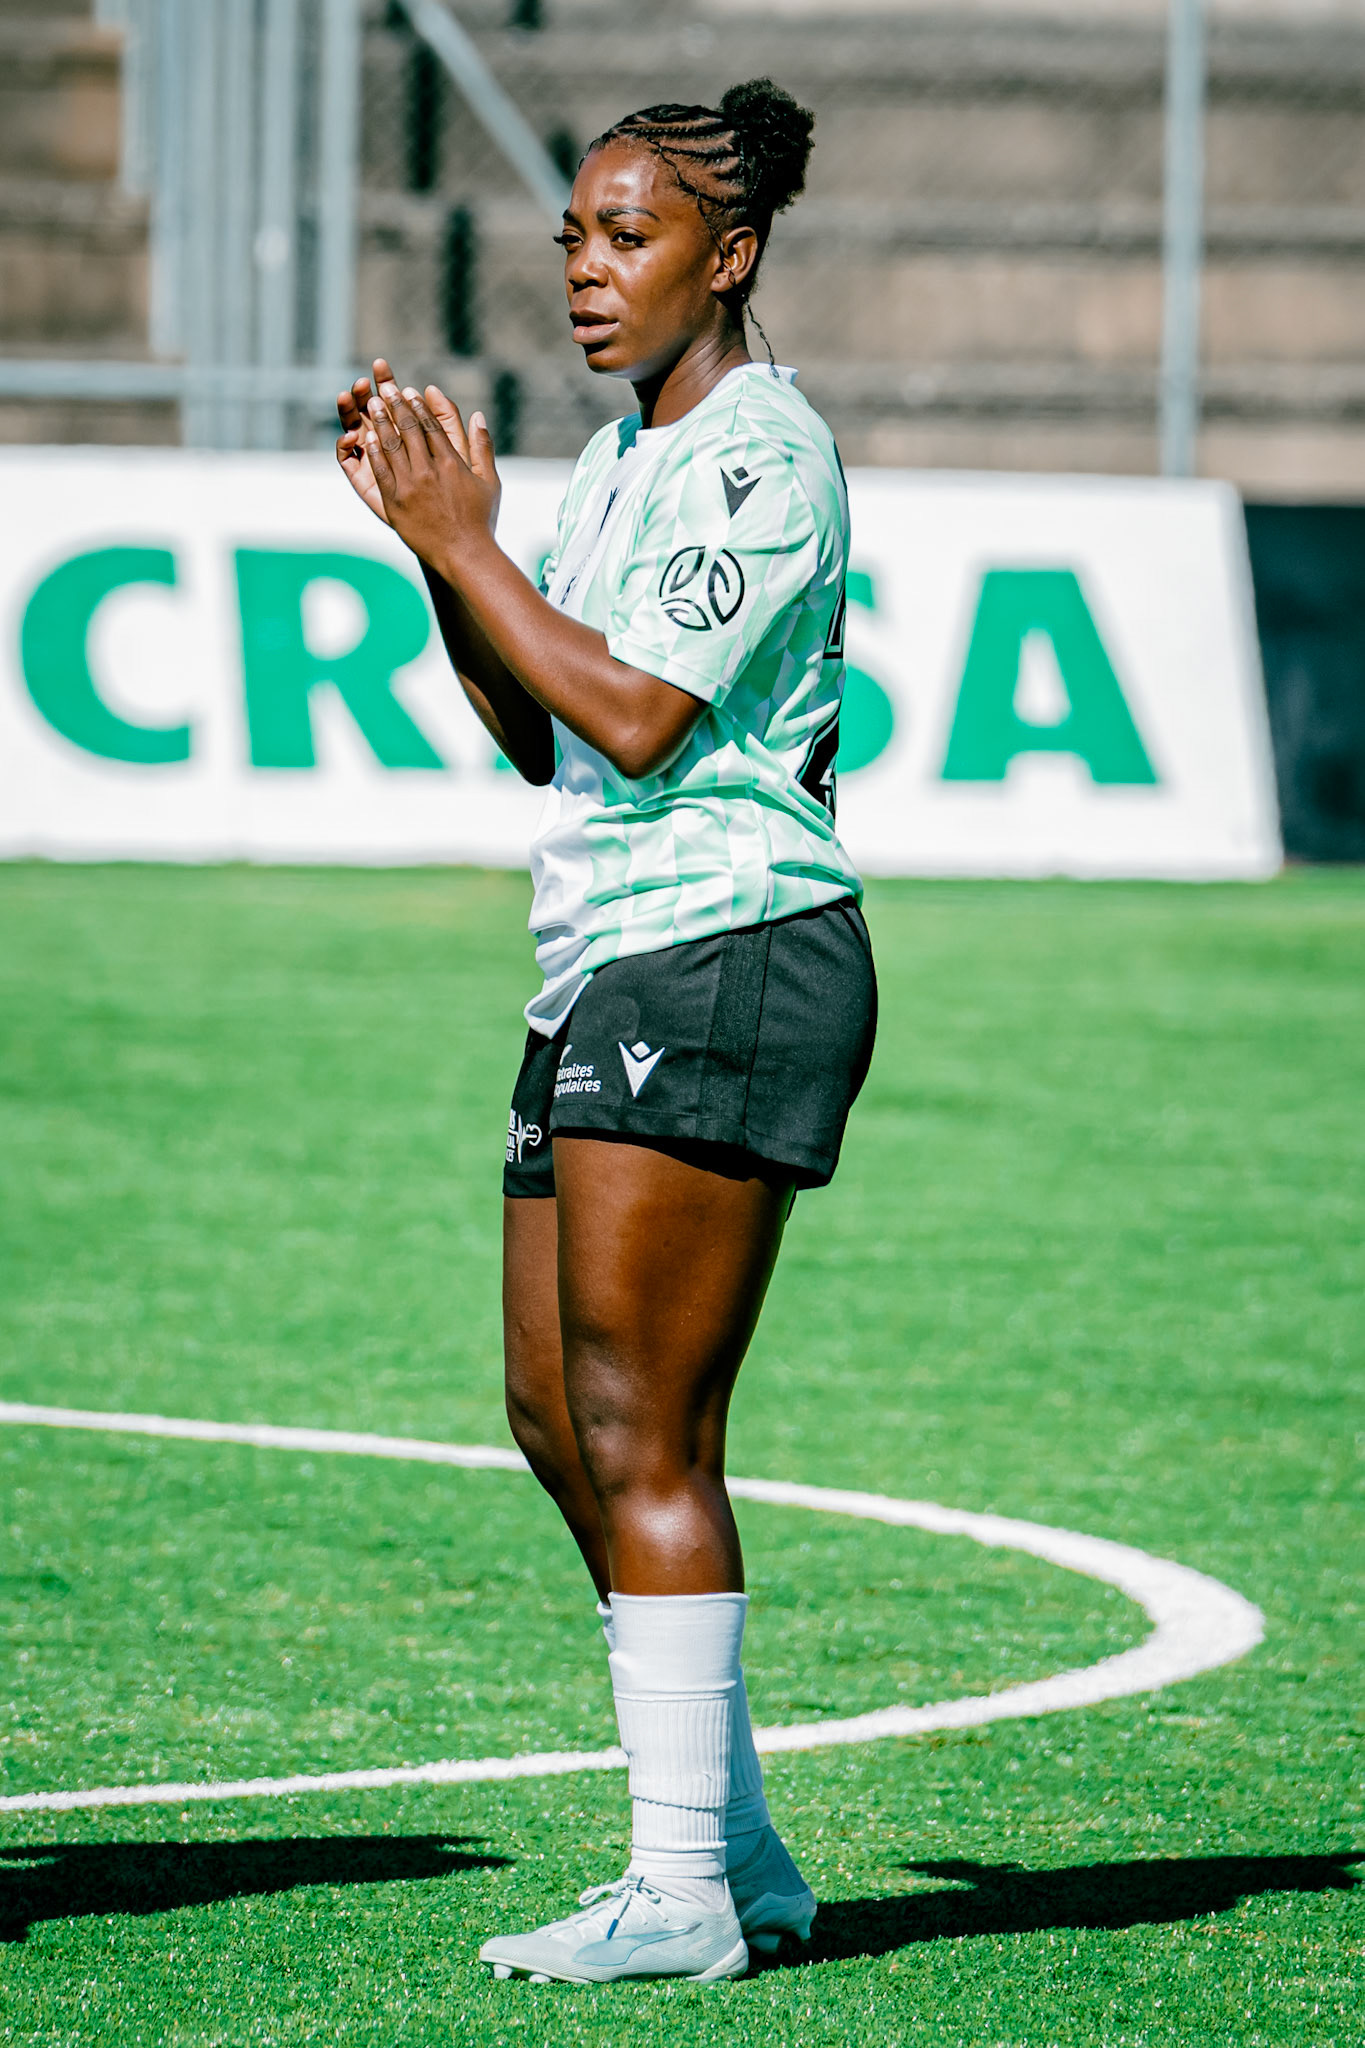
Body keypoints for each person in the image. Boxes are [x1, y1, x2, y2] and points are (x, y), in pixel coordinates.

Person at [335, 77, 876, 1987]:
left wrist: (472, 543)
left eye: (624, 237)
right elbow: (539, 728)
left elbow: (643, 719)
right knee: (556, 1416)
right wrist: (435, 543)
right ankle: (730, 1853)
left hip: (726, 948)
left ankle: (677, 1901)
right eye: (571, 235)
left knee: (648, 1420)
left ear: (725, 260)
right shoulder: (623, 457)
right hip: (608, 954)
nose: (583, 270)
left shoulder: (759, 452)